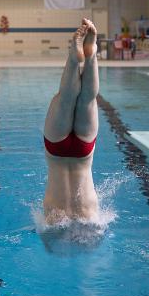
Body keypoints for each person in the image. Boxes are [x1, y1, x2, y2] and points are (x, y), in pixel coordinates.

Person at [43, 18, 99, 224]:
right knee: (68, 99)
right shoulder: (86, 230)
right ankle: (80, 56)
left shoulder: (53, 236)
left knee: (85, 100)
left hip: (82, 153)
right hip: (57, 152)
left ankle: (90, 54)